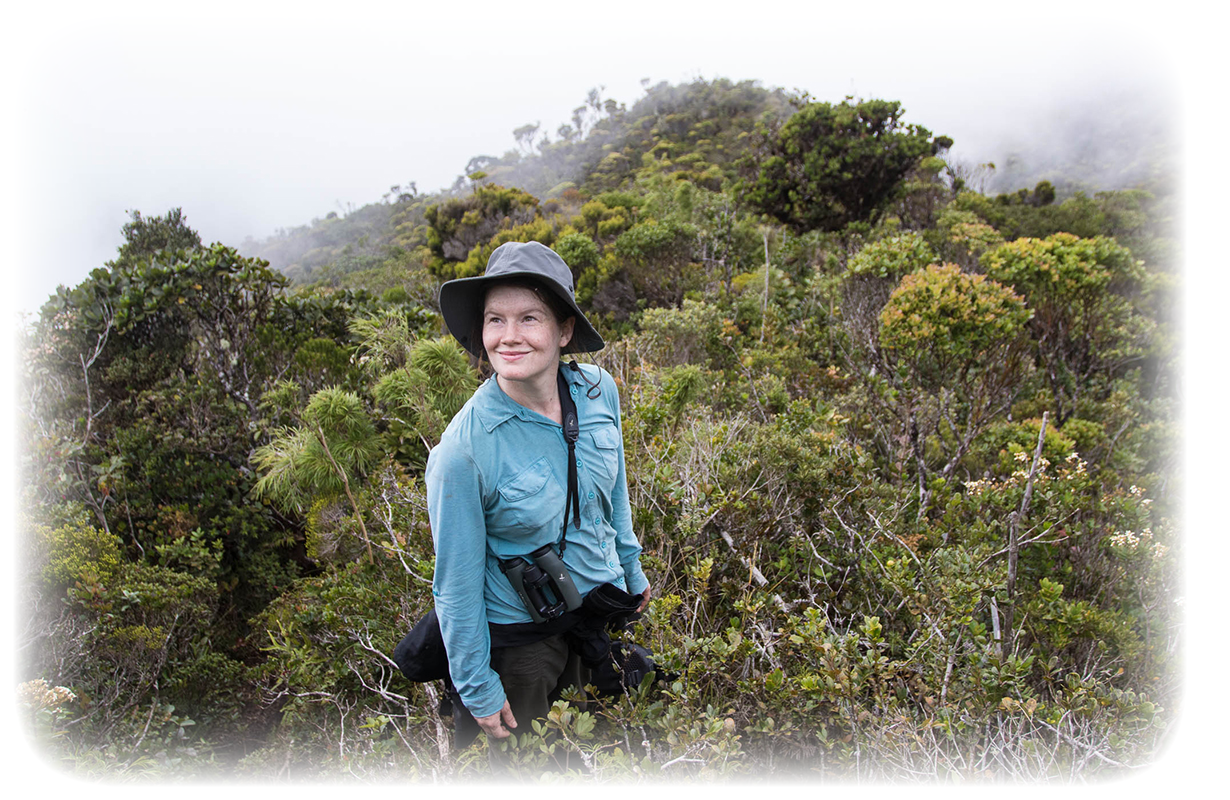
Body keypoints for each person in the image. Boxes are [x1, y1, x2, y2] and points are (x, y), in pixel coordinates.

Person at [426, 241, 651, 757]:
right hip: (521, 645)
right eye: (494, 320)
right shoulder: (464, 451)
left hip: (596, 612)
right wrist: (477, 687)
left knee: (594, 757)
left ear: (564, 330)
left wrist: (630, 568)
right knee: (521, 768)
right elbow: (455, 588)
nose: (508, 337)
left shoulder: (598, 390)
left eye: (529, 318)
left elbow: (612, 491)